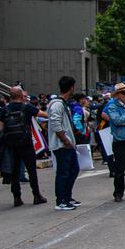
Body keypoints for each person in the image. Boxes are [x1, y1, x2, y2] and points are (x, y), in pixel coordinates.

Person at [0, 86, 48, 207]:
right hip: (26, 143)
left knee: (15, 171)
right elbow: (43, 115)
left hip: (11, 144)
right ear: (21, 96)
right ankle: (36, 196)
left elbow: (1, 128)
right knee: (31, 170)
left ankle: (17, 198)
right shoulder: (26, 107)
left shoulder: (5, 109)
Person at [48, 76, 81, 211]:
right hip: (62, 145)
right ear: (71, 87)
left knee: (73, 170)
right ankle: (61, 200)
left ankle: (67, 197)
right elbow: (56, 124)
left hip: (68, 144)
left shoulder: (63, 103)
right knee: (63, 172)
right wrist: (65, 140)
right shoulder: (57, 104)